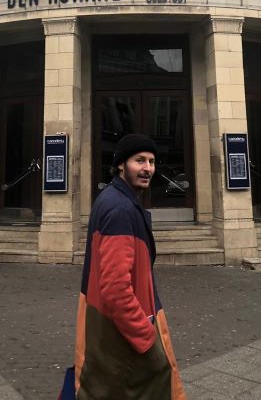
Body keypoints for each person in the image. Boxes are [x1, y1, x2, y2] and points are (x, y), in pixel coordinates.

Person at [74, 133, 185, 399]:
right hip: (123, 333)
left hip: (109, 327)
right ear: (121, 164)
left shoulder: (114, 199)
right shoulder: (120, 209)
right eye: (139, 160)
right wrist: (146, 338)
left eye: (152, 161)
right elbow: (115, 287)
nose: (148, 168)